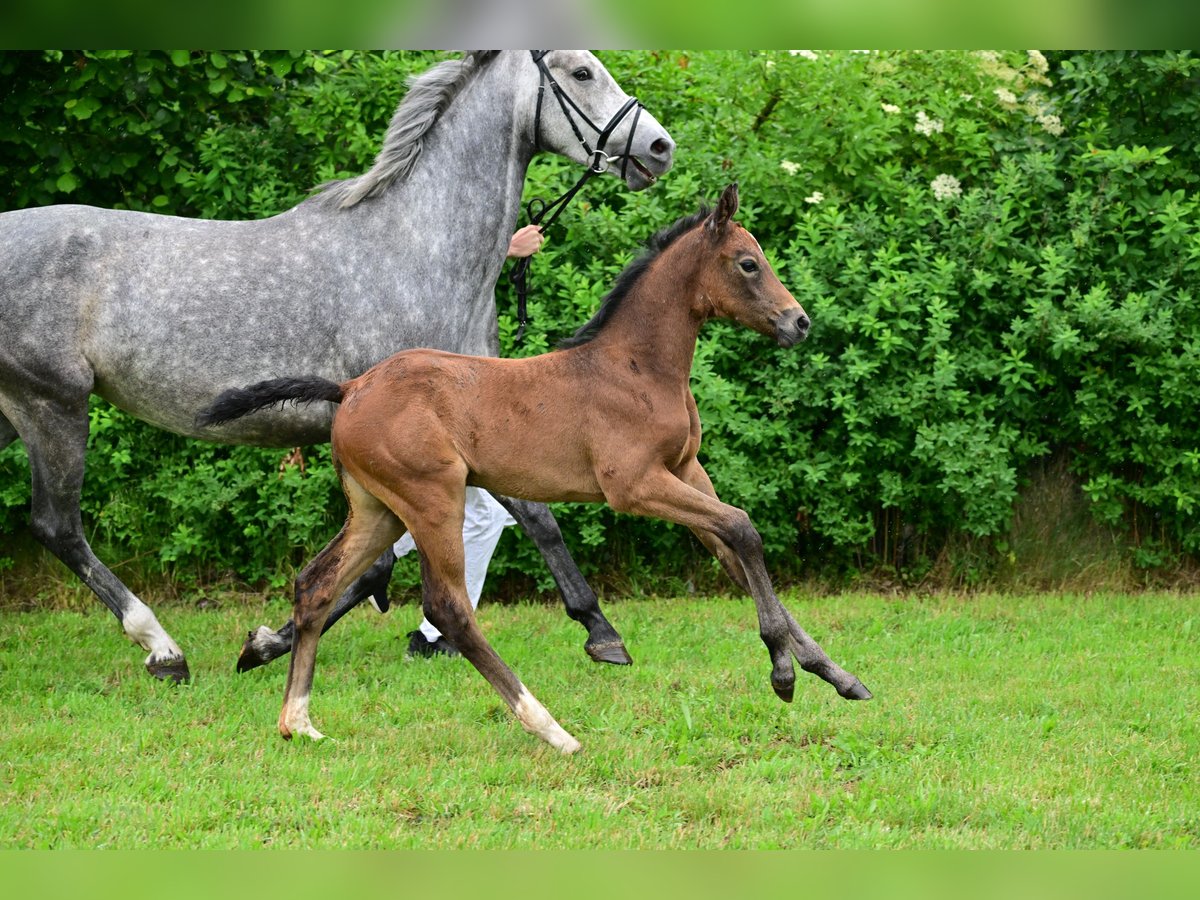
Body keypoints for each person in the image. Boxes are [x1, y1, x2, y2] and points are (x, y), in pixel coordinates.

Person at [403, 224, 544, 657]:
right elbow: (431, 266)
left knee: (474, 512)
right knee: (487, 512)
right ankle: (438, 633)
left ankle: (378, 574)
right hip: (437, 386)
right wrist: (506, 249)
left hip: (450, 385)